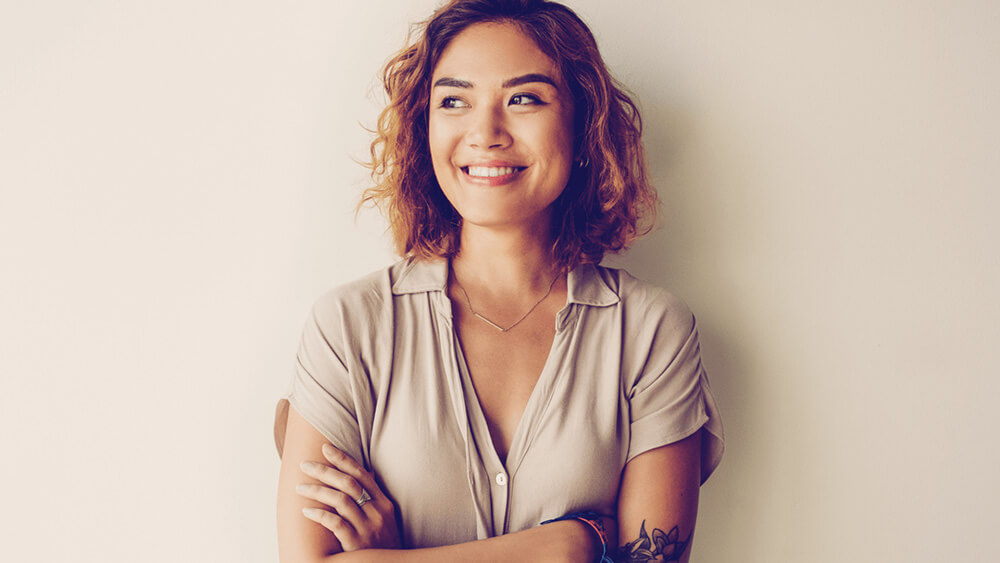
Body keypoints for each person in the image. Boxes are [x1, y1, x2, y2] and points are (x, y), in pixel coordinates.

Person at [273, 0, 724, 561]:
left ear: (583, 124)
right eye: (454, 100)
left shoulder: (653, 331)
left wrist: (390, 559)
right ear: (425, 127)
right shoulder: (348, 326)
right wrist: (571, 543)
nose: (484, 132)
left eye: (523, 98)